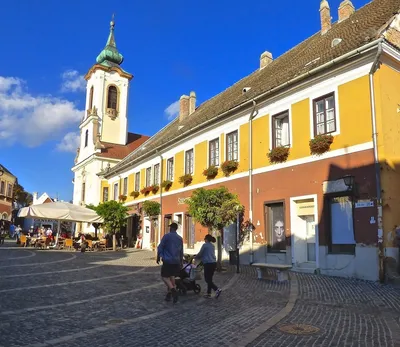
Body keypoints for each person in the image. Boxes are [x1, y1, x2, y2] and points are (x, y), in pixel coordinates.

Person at [157, 222, 183, 303]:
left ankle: (173, 290)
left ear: (171, 228)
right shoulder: (180, 238)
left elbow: (160, 247)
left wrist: (159, 256)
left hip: (168, 260)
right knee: (172, 277)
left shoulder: (166, 236)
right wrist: (181, 261)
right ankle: (169, 295)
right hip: (176, 260)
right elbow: (181, 251)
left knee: (164, 277)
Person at [195, 234, 222, 299]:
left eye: (205, 239)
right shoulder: (212, 246)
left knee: (207, 279)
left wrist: (196, 257)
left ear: (206, 239)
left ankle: (217, 289)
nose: (204, 240)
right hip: (213, 263)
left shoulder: (205, 245)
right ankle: (208, 293)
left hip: (208, 264)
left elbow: (200, 253)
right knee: (210, 279)